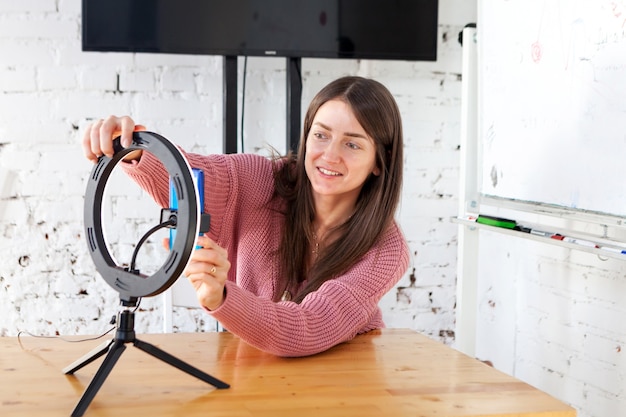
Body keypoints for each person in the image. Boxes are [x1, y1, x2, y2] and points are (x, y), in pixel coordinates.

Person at [83, 76, 410, 357]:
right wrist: (135, 148)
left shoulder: (386, 250)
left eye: (352, 145)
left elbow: (308, 326)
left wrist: (223, 296)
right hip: (255, 368)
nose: (329, 155)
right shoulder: (260, 180)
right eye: (321, 135)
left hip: (345, 380)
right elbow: (190, 174)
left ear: (380, 161)